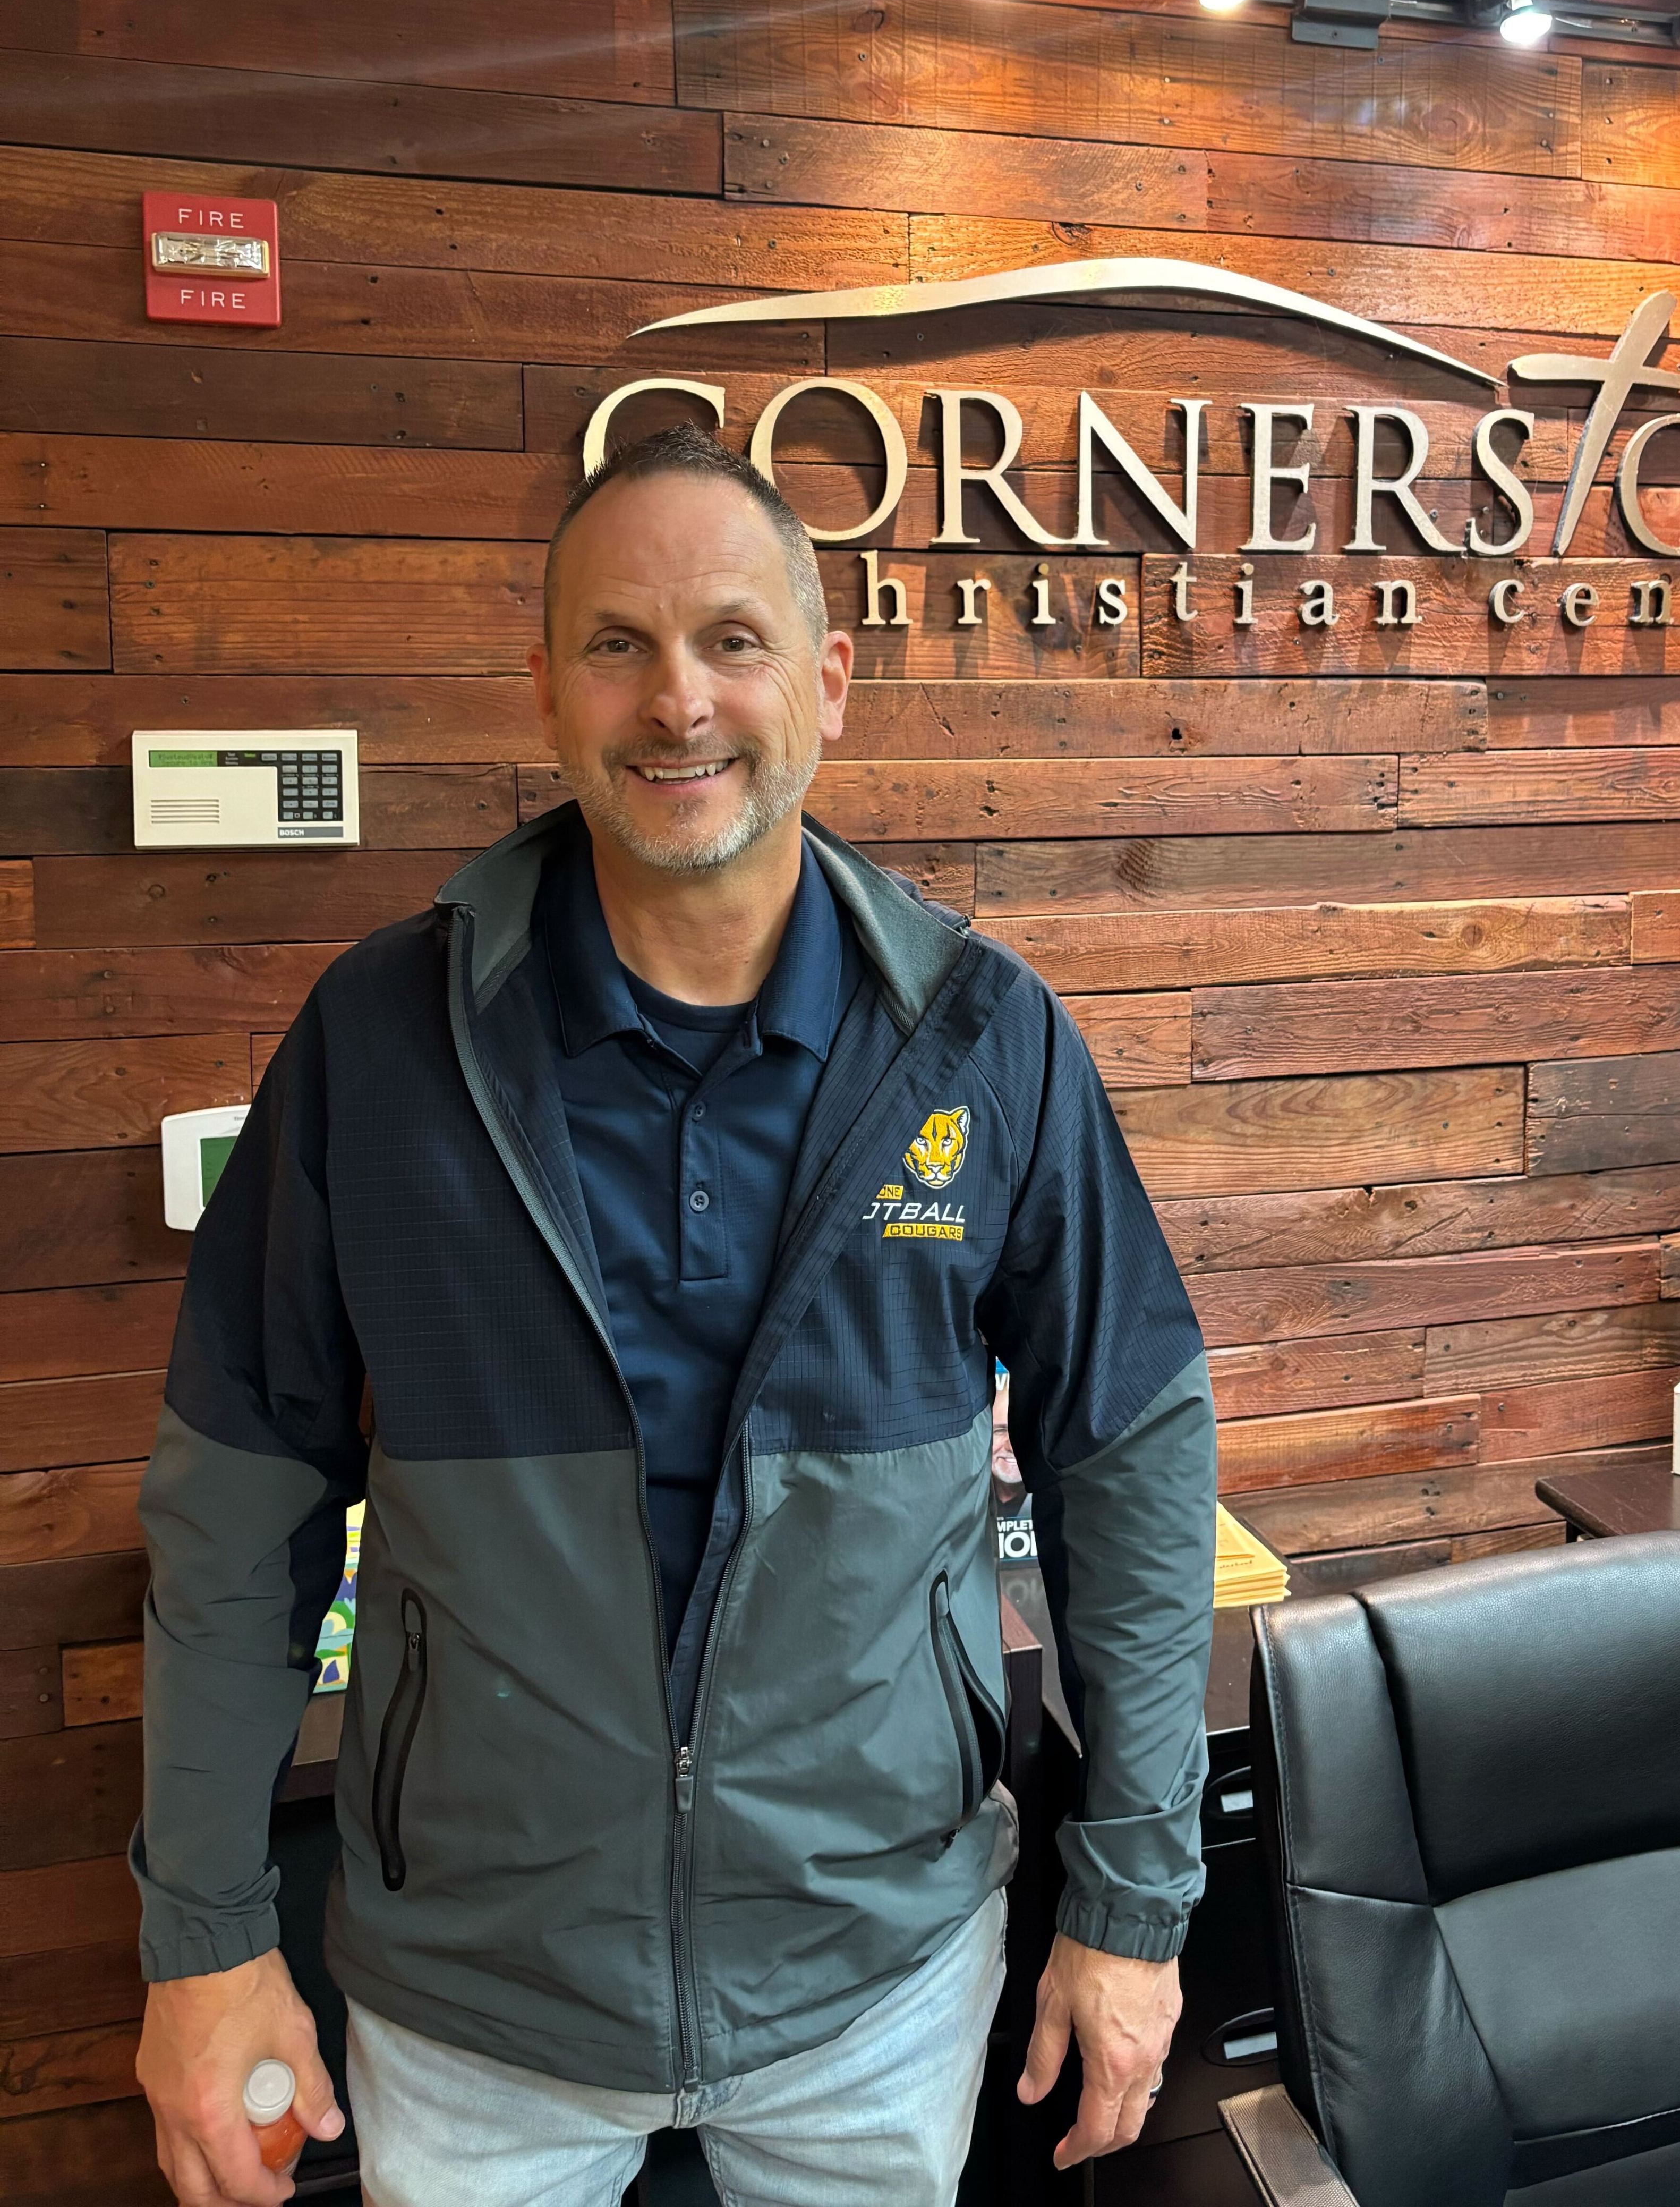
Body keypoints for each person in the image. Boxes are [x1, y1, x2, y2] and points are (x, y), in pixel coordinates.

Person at [131, 425, 1218, 2207]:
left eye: (730, 638)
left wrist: (1130, 1904)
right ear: (545, 688)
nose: (676, 702)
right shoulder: (383, 1048)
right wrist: (203, 1938)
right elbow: (236, 1504)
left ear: (825, 680)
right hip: (483, 1998)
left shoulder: (979, 1039)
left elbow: (1131, 1458)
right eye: (617, 644)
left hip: (873, 1973)